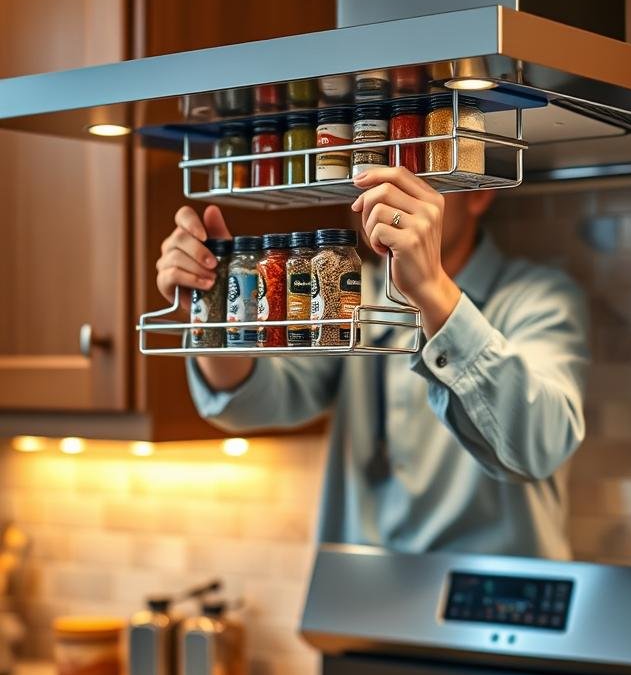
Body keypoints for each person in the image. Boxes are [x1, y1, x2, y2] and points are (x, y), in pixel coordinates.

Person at [156, 165, 589, 558]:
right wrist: (212, 302)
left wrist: (432, 289)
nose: (385, 192)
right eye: (373, 169)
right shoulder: (347, 291)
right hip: (358, 600)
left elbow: (542, 445)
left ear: (478, 192)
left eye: (419, 172)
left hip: (496, 604)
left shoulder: (540, 299)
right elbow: (256, 402)